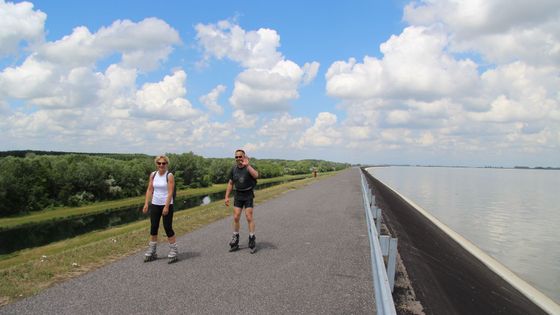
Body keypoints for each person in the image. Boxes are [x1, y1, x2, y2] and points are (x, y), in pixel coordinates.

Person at [142, 155, 178, 263]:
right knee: (153, 227)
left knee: (167, 227)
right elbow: (149, 189)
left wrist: (166, 206)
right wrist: (146, 204)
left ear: (167, 164)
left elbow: (170, 192)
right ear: (156, 164)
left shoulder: (169, 175)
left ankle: (173, 250)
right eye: (159, 163)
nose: (161, 165)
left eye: (163, 163)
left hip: (167, 204)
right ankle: (152, 250)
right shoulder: (153, 175)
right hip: (155, 204)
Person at [225, 149, 259, 253]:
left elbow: (256, 175)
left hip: (248, 194)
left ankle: (252, 238)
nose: (238, 158)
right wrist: (226, 196)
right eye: (237, 157)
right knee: (236, 217)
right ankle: (235, 238)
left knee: (249, 217)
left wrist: (248, 165)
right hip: (238, 195)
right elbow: (230, 183)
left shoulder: (248, 167)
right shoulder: (233, 169)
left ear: (244, 157)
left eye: (240, 156)